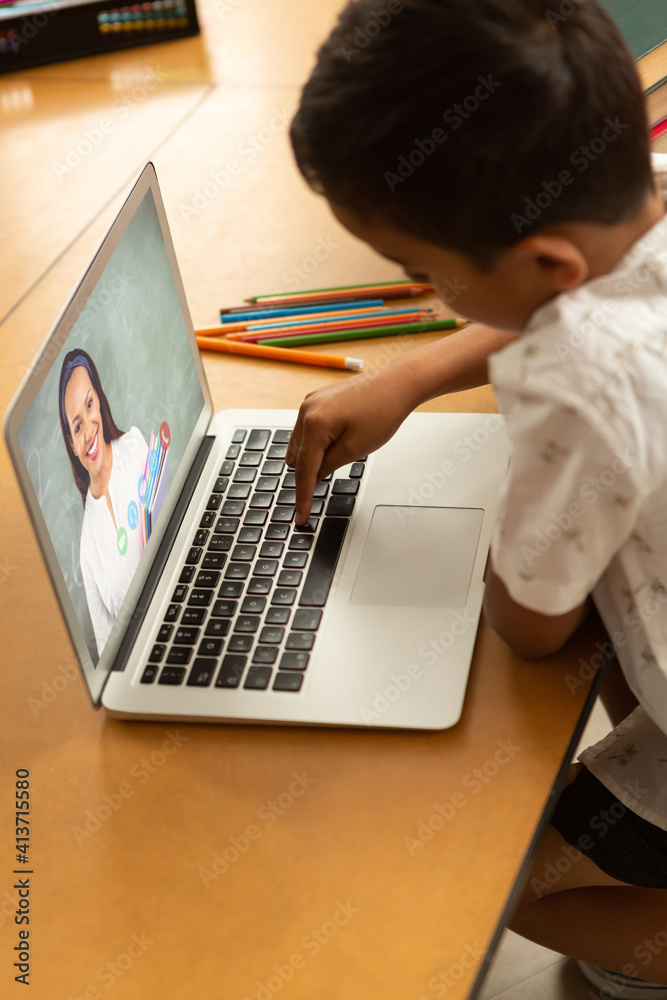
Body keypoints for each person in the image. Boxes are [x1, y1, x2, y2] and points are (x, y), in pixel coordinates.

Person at [284, 0, 667, 994]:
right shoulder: (645, 202)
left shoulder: (574, 385)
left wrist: (505, 543)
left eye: (428, 275)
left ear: (543, 263)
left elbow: (533, 624)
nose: (432, 293)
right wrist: (411, 378)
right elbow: (589, 290)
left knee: (503, 875)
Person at [58, 349, 148, 658]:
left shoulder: (137, 447)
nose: (88, 430)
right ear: (72, 443)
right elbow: (110, 656)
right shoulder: (88, 547)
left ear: (99, 397)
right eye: (77, 426)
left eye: (89, 404)